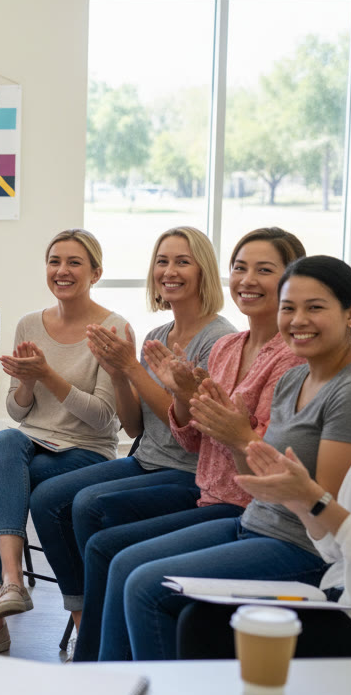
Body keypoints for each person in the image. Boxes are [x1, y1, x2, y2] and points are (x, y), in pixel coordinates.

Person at [101, 256, 351, 661]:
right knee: (124, 563)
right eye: (289, 308)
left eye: (315, 307)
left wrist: (239, 435)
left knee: (147, 586)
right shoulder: (294, 378)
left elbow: (326, 508)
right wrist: (234, 437)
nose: (298, 319)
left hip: (299, 547)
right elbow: (257, 480)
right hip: (254, 521)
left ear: (349, 314)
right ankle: (111, 689)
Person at [73, 228, 306, 661]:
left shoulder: (287, 357)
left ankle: (99, 673)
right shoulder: (229, 348)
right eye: (240, 268)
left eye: (264, 270)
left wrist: (228, 427)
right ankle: (96, 668)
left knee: (111, 545)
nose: (247, 279)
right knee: (88, 525)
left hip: (238, 503)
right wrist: (183, 393)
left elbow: (259, 458)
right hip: (209, 494)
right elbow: (190, 435)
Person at [28, 227, 233, 645]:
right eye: (162, 261)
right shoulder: (158, 336)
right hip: (146, 459)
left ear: (203, 271)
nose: (169, 271)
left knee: (89, 505)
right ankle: (85, 608)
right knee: (48, 497)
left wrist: (134, 368)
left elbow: (190, 431)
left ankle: (102, 631)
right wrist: (120, 374)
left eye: (182, 261)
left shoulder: (220, 340)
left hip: (187, 470)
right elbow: (135, 428)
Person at [0, 229, 128, 662]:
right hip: (34, 443)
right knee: (5, 437)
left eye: (75, 262)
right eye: (55, 261)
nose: (62, 271)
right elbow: (18, 411)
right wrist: (25, 383)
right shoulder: (29, 324)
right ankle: (12, 580)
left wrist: (47, 375)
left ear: (96, 273)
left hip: (87, 451)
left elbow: (105, 419)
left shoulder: (113, 328)